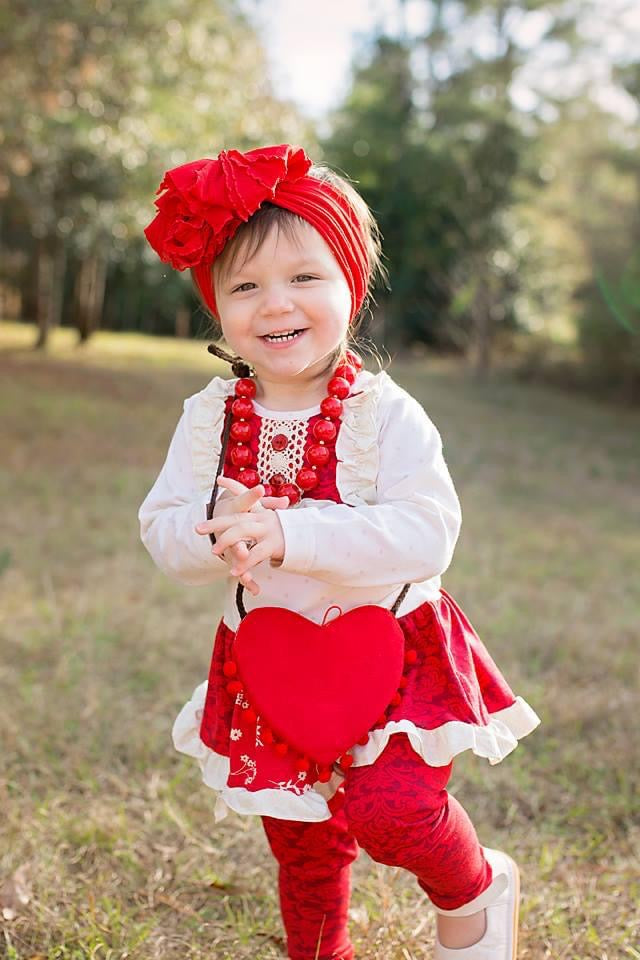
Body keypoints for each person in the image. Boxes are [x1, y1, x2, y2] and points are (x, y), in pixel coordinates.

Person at [139, 144, 540, 960]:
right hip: (270, 660)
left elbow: (430, 529)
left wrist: (296, 532)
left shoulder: (385, 414)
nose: (274, 303)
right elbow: (161, 527)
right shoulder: (209, 418)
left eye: (304, 277)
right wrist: (211, 531)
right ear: (216, 304)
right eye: (244, 285)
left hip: (390, 652)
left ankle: (475, 887)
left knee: (394, 812)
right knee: (302, 842)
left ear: (349, 286)